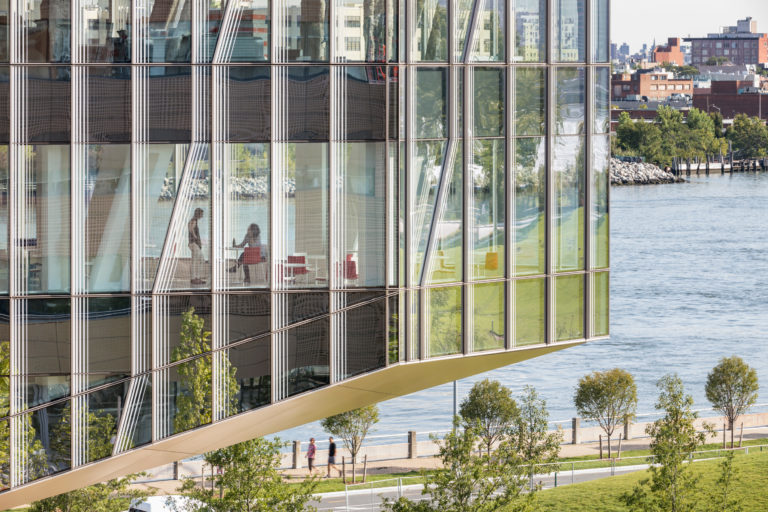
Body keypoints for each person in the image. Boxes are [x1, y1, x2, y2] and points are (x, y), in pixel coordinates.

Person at [188, 208, 205, 285]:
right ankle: (194, 278)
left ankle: (196, 277)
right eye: (201, 214)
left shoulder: (193, 220)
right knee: (197, 260)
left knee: (199, 260)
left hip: (194, 243)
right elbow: (191, 229)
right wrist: (195, 237)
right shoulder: (193, 220)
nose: (202, 215)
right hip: (194, 243)